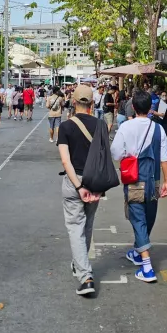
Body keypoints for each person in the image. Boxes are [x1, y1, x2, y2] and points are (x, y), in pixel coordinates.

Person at [111, 90, 167, 283]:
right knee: (148, 215)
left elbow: (115, 153)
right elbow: (165, 157)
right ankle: (139, 252)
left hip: (134, 180)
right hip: (153, 180)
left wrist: (129, 155)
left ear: (134, 107)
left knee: (138, 218)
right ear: (151, 108)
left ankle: (147, 267)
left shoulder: (125, 127)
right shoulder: (158, 129)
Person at [57, 84, 107, 296]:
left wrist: (78, 186)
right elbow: (105, 157)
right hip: (95, 180)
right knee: (87, 225)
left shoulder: (65, 127)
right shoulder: (100, 125)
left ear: (73, 102)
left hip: (73, 181)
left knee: (76, 226)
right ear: (92, 104)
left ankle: (85, 276)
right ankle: (80, 264)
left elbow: (65, 160)